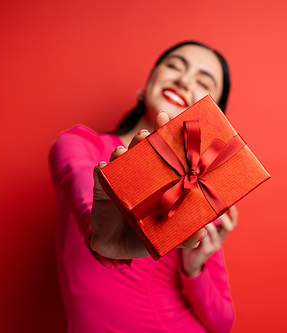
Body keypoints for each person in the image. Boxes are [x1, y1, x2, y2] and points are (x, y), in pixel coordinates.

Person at [49, 41, 238, 333]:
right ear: (150, 78)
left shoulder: (196, 189)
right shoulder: (81, 145)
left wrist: (194, 264)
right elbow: (84, 189)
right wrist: (100, 235)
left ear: (210, 113)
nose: (184, 80)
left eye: (203, 81)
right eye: (175, 65)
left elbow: (222, 321)